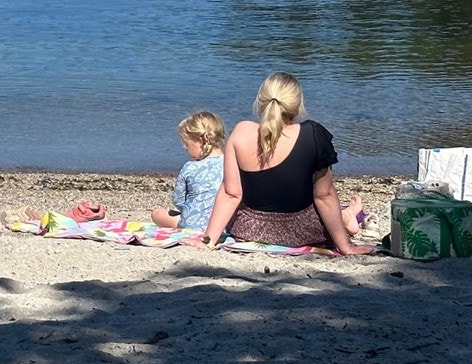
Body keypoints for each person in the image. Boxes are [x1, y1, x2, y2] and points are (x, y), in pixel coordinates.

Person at [195, 73, 372, 254]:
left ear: (261, 101)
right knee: (333, 205)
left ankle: (349, 213)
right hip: (303, 232)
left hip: (250, 231)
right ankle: (350, 214)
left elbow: (231, 194)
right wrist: (346, 247)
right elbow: (324, 196)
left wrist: (208, 240)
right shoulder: (313, 135)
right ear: (297, 104)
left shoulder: (241, 132)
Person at [152, 111, 224, 230]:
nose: (185, 148)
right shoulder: (231, 164)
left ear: (199, 141)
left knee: (157, 213)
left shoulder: (190, 167)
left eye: (186, 144)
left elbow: (179, 201)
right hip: (223, 225)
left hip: (193, 224)